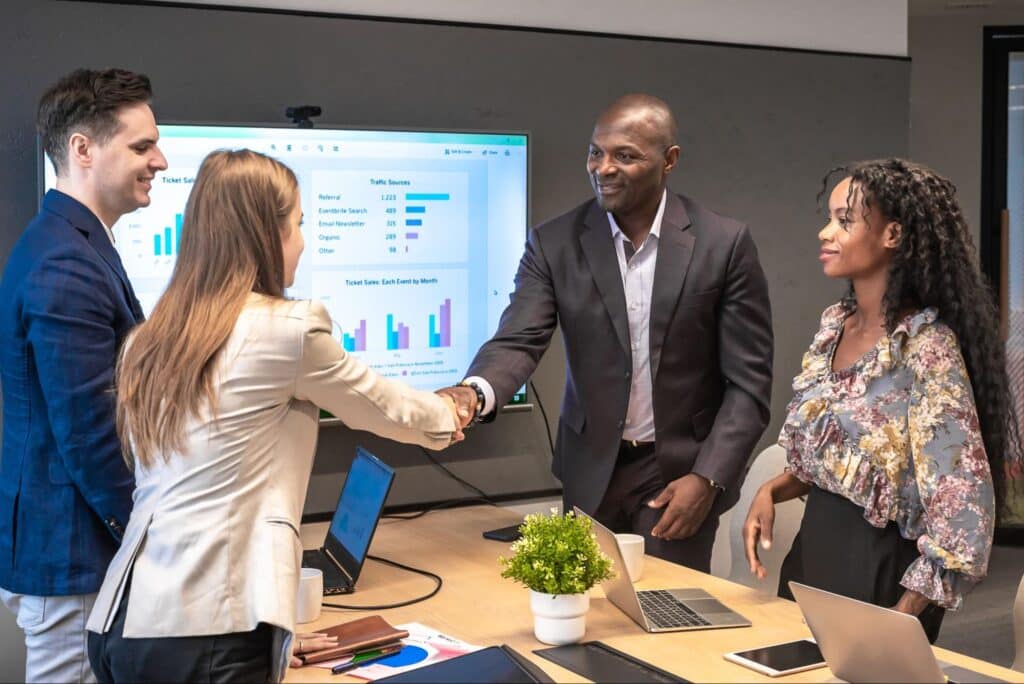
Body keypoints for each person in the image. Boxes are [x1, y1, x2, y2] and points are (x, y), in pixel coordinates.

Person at [84, 149, 462, 683]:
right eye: (299, 224)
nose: (303, 241)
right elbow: (387, 409)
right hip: (208, 634)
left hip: (125, 623)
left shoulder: (149, 340)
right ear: (268, 233)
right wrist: (457, 408)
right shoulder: (287, 330)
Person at [439, 94, 773, 571]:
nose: (604, 167)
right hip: (591, 468)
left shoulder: (723, 244)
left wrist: (708, 477)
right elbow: (518, 339)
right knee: (587, 611)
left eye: (626, 155)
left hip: (678, 473)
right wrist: (472, 394)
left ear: (669, 161)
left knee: (664, 612)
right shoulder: (554, 242)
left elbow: (749, 384)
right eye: (596, 152)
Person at [742, 159, 1019, 643]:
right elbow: (845, 465)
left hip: (880, 579)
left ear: (893, 234)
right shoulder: (834, 326)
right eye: (829, 217)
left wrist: (899, 619)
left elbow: (964, 518)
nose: (825, 232)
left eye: (844, 220)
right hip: (811, 561)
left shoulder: (925, 349)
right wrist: (772, 490)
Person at [0, 68, 167, 683]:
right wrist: (151, 540)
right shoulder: (66, 262)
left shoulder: (74, 243)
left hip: (73, 549)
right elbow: (90, 432)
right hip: (72, 556)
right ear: (82, 149)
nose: (162, 160)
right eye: (142, 146)